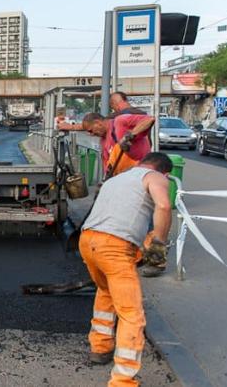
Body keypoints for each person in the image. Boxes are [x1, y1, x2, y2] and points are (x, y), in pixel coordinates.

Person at [79, 152, 172, 386]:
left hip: (87, 240)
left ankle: (100, 347)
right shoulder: (155, 177)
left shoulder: (117, 178)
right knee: (132, 314)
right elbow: (163, 206)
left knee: (105, 291)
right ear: (166, 173)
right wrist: (159, 243)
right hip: (115, 247)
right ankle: (122, 381)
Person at [74, 113, 155, 177]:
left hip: (143, 172)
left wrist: (131, 135)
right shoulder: (103, 142)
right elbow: (108, 167)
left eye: (91, 131)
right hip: (124, 178)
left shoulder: (120, 121)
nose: (92, 134)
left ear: (98, 123)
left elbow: (149, 119)